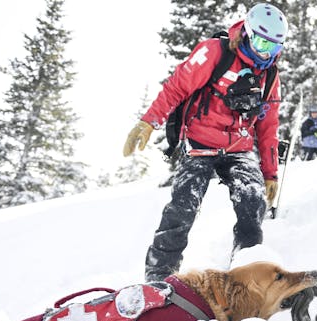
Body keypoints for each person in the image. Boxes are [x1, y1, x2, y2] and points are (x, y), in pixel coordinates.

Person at [123, 3, 287, 282]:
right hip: (200, 141)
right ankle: (160, 275)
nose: (264, 52)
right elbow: (176, 87)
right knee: (183, 206)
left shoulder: (270, 76)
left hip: (238, 147)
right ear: (247, 33)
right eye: (260, 42)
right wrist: (149, 122)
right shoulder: (215, 53)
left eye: (272, 47)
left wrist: (270, 173)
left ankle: (246, 265)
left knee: (252, 199)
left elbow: (268, 126)